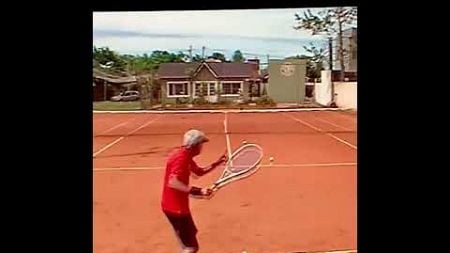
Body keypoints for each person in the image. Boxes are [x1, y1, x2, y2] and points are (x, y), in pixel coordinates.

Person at [161, 129, 227, 253]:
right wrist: (198, 191)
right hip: (176, 208)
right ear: (195, 145)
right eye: (201, 144)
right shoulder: (181, 158)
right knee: (191, 247)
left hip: (172, 205)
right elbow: (173, 182)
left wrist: (217, 163)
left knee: (189, 235)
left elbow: (198, 172)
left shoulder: (185, 155)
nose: (202, 147)